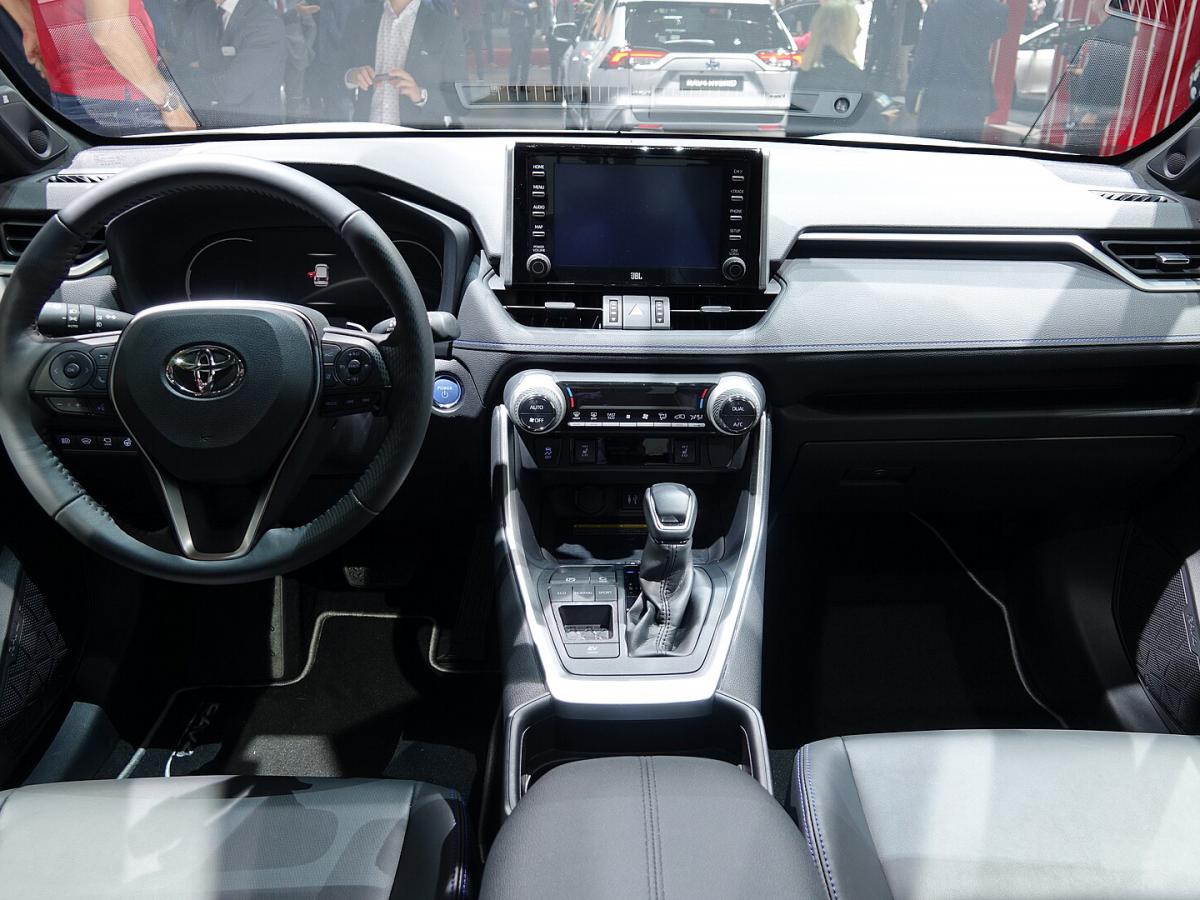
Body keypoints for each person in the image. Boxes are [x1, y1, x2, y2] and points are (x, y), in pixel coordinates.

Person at [0, 0, 196, 133]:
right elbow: (109, 32)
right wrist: (169, 105)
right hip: (125, 93)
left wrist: (30, 25)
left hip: (67, 93)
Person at [342, 0, 465, 128]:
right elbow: (334, 74)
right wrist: (351, 76)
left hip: (416, 137)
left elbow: (459, 100)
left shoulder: (445, 28)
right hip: (366, 134)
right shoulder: (359, 18)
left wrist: (421, 95)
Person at [906, 0, 1008, 143]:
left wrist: (912, 96)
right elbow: (997, 33)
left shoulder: (938, 9)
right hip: (975, 97)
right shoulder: (998, 10)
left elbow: (925, 57)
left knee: (932, 148)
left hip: (939, 96)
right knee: (966, 149)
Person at [175, 0, 287, 128]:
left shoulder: (264, 18)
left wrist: (199, 69)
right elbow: (178, 70)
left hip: (251, 131)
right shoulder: (201, 12)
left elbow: (232, 89)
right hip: (203, 127)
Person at [1066, 0, 1137, 153]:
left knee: (1080, 152)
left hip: (1095, 108)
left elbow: (1111, 74)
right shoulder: (1112, 28)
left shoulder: (1114, 31)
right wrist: (1084, 72)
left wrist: (1093, 113)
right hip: (1093, 106)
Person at [795, 0, 865, 91]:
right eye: (856, 24)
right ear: (842, 31)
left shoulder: (806, 71)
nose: (860, 29)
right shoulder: (850, 75)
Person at [506, 0, 539, 84]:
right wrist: (528, 7)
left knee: (526, 60)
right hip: (516, 32)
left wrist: (522, 10)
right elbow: (511, 4)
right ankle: (512, 84)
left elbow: (536, 7)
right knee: (515, 58)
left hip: (529, 31)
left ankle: (523, 84)